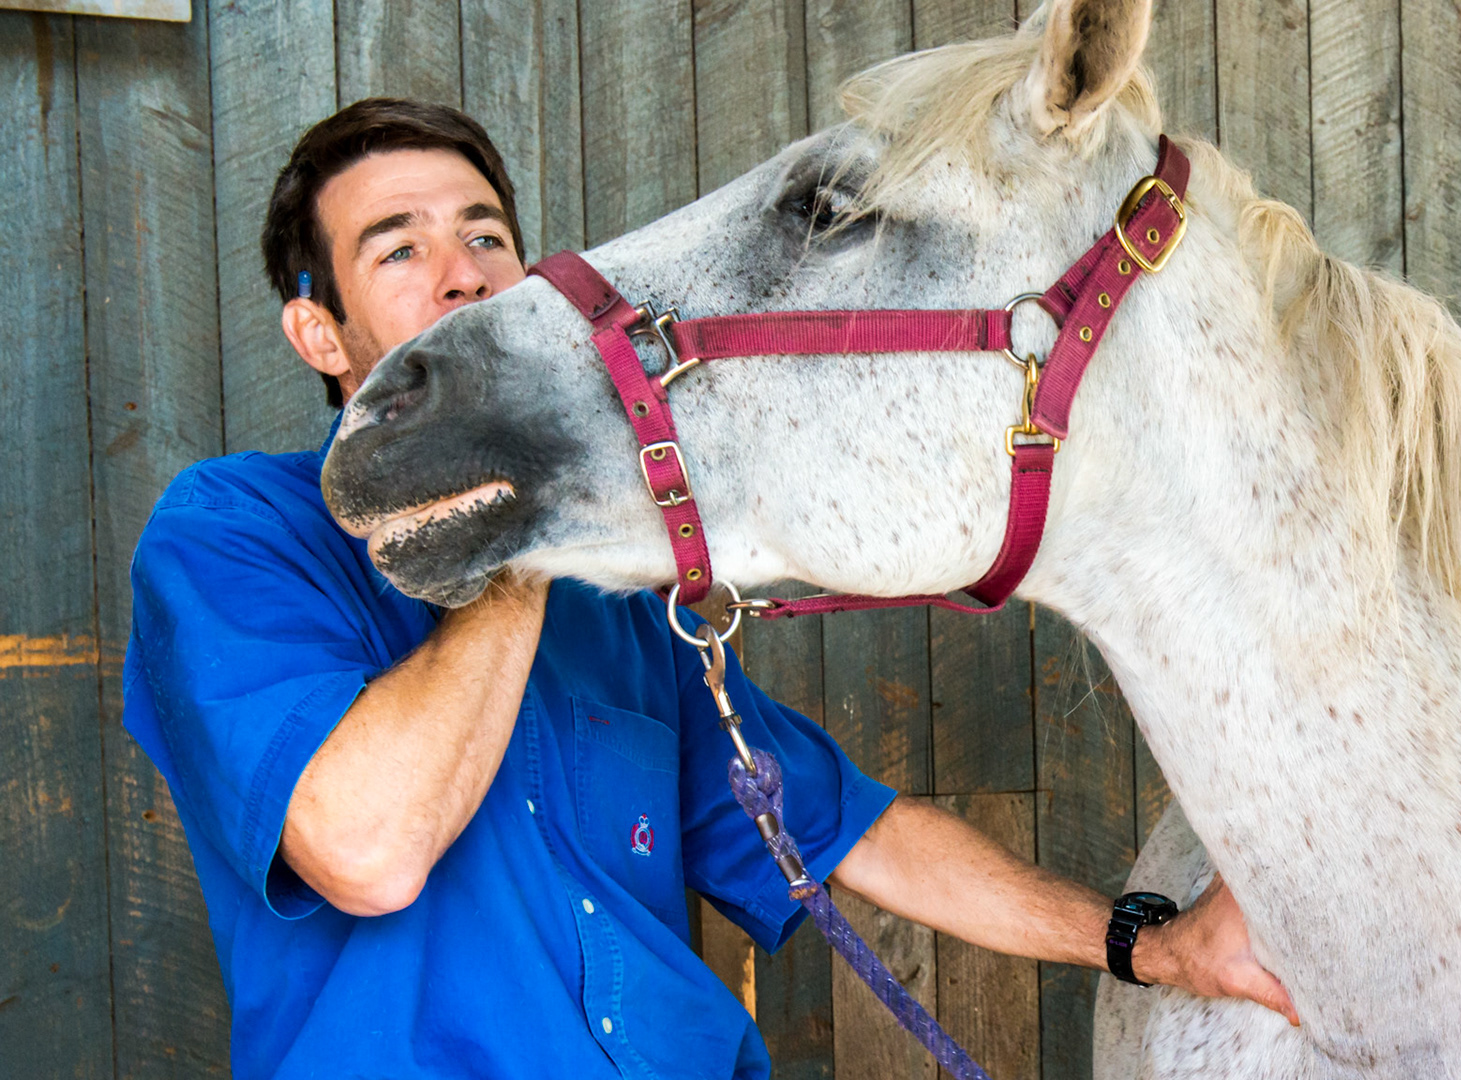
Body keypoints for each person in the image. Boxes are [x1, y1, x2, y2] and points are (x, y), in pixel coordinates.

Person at [122, 98, 1293, 1080]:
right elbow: (367, 850)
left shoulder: (615, 608)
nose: (463, 277)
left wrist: (1155, 947)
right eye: (398, 249)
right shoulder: (232, 534)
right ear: (317, 331)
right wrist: (523, 532)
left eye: (485, 236)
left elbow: (853, 835)